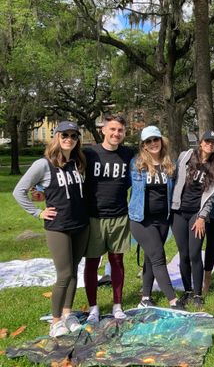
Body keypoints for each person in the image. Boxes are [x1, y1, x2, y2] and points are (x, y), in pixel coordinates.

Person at [13, 121, 89, 337]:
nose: (69, 139)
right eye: (65, 134)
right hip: (59, 227)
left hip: (80, 225)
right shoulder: (43, 164)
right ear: (56, 136)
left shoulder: (77, 162)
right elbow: (19, 191)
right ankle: (55, 321)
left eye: (74, 136)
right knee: (64, 274)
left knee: (75, 271)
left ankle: (67, 314)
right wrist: (38, 213)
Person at [83, 115, 135, 323]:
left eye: (120, 130)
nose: (116, 134)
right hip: (94, 217)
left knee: (117, 261)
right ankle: (93, 307)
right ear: (103, 130)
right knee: (92, 263)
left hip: (120, 216)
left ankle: (117, 305)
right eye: (112, 129)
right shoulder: (89, 153)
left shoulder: (128, 154)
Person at [170, 130, 214, 308]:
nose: (209, 145)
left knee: (194, 253)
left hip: (196, 214)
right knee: (183, 254)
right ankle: (187, 291)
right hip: (178, 211)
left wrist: (202, 217)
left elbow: (211, 198)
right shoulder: (185, 156)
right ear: (200, 143)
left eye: (213, 143)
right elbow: (174, 179)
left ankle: (198, 294)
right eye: (206, 141)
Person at [128, 126, 181, 309]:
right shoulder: (136, 165)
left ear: (161, 140)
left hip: (162, 219)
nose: (153, 144)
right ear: (143, 145)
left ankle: (145, 298)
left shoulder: (169, 165)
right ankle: (173, 301)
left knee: (150, 258)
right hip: (141, 219)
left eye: (155, 139)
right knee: (158, 256)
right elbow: (121, 186)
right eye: (148, 141)